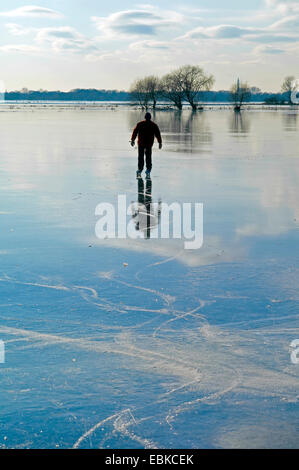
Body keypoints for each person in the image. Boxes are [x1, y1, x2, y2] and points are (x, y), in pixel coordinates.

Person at [131, 112, 162, 179]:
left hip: (141, 143)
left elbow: (135, 132)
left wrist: (132, 140)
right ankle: (148, 170)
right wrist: (160, 143)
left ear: (145, 117)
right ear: (150, 117)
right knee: (148, 157)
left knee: (141, 157)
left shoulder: (140, 124)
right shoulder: (153, 125)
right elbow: (158, 134)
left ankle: (140, 169)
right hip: (148, 144)